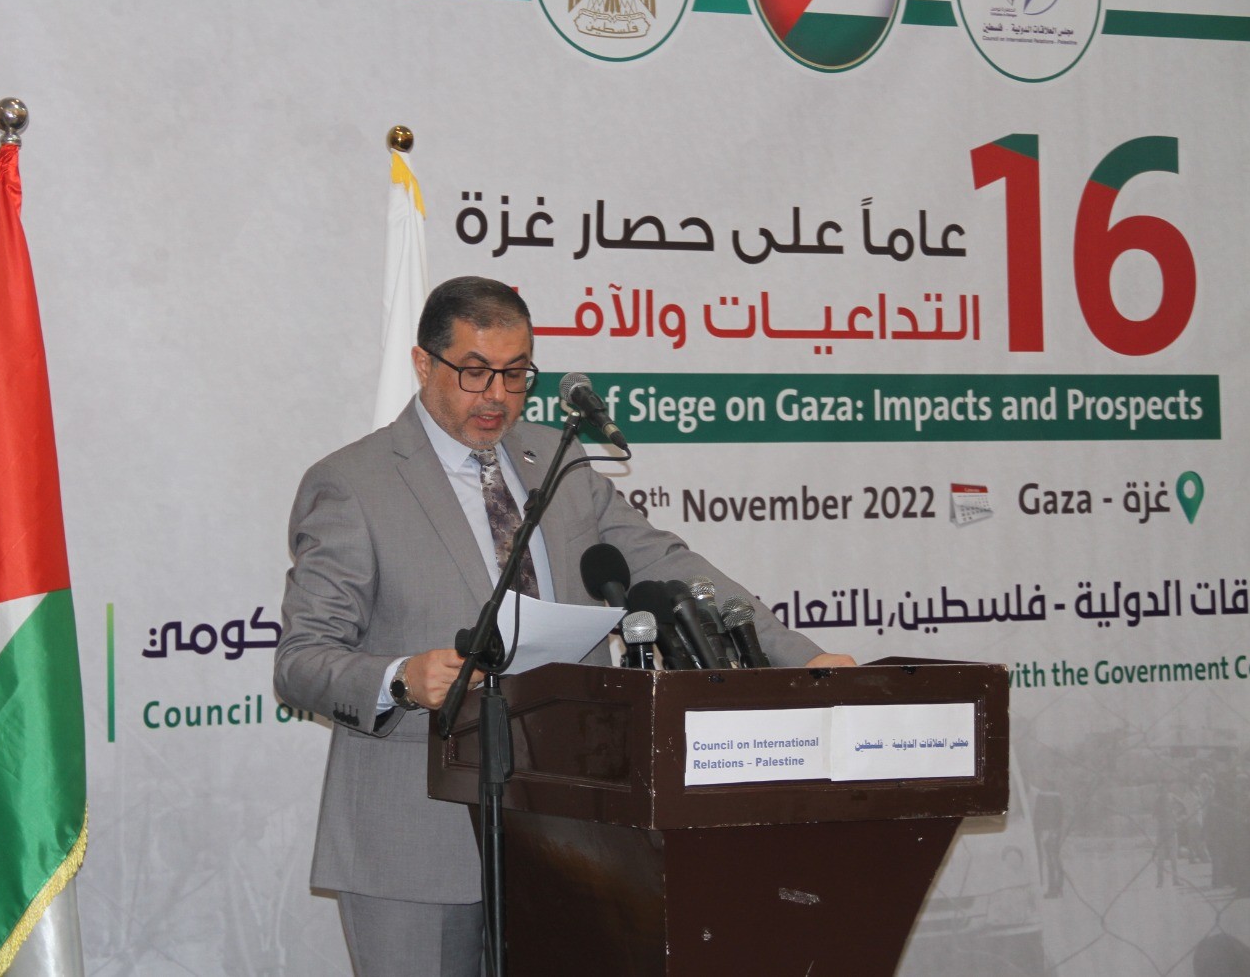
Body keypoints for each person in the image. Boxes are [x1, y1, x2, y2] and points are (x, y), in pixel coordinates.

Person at [274, 276, 854, 977]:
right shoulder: (354, 483)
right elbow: (301, 660)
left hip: (566, 838)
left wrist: (801, 659)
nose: (497, 395)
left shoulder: (559, 463)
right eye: (475, 372)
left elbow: (669, 565)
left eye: (517, 373)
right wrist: (401, 678)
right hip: (415, 841)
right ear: (424, 364)